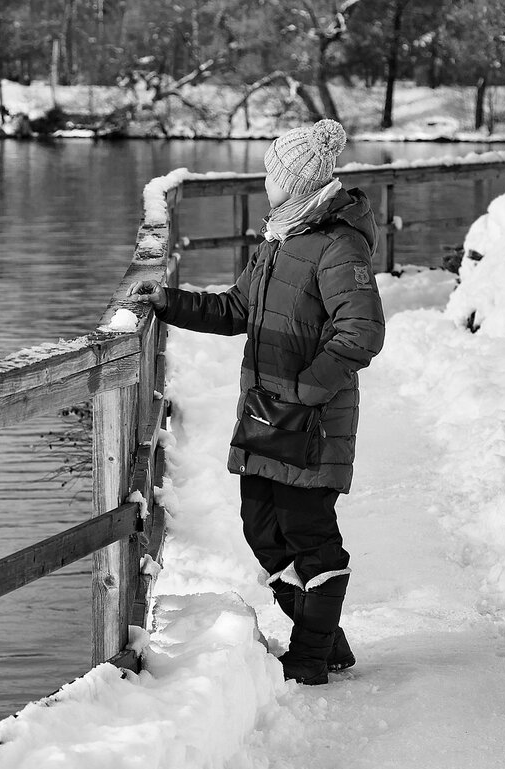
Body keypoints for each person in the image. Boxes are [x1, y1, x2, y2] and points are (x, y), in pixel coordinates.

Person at [127, 119, 386, 685]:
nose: (266, 182)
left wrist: (303, 391)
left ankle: (311, 656)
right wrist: (167, 301)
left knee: (310, 536)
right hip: (268, 415)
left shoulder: (337, 245)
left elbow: (361, 333)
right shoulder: (279, 239)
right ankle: (326, 635)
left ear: (296, 183)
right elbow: (236, 310)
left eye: (274, 174)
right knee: (260, 528)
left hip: (310, 423)